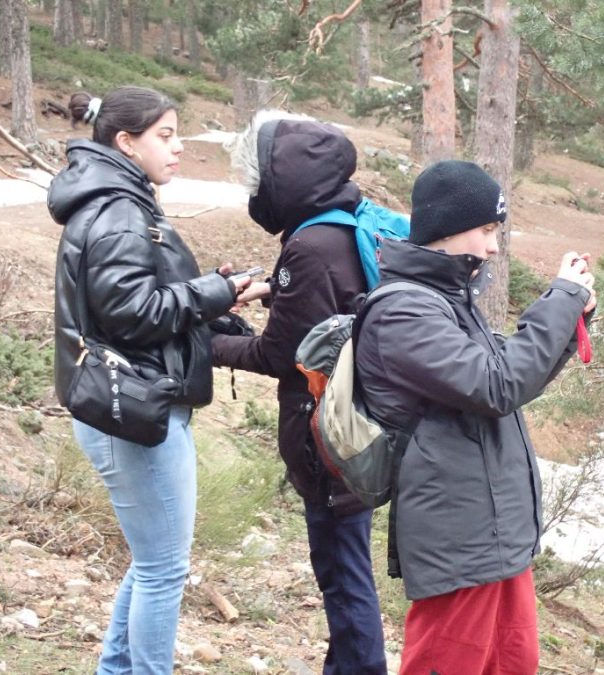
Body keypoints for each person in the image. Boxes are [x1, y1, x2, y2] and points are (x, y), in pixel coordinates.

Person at [354, 160, 597, 674]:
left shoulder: (450, 300)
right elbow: (495, 385)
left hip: (496, 534)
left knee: (512, 664)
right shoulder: (405, 310)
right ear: (446, 228)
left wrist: (570, 315)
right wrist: (560, 300)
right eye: (486, 230)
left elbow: (509, 379)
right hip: (457, 539)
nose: (492, 246)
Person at [50, 86, 251, 675]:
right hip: (131, 412)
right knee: (164, 569)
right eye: (165, 135)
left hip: (133, 403)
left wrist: (219, 296)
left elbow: (143, 301)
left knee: (151, 561)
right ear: (125, 142)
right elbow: (132, 313)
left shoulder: (118, 199)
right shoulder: (118, 210)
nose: (179, 147)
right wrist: (214, 291)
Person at [211, 113, 387, 674]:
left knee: (343, 581)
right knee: (346, 571)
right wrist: (273, 292)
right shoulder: (345, 225)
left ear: (283, 183)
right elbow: (329, 315)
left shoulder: (309, 247)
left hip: (326, 441)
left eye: (257, 180)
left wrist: (209, 343)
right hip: (359, 430)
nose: (253, 193)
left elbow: (282, 355)